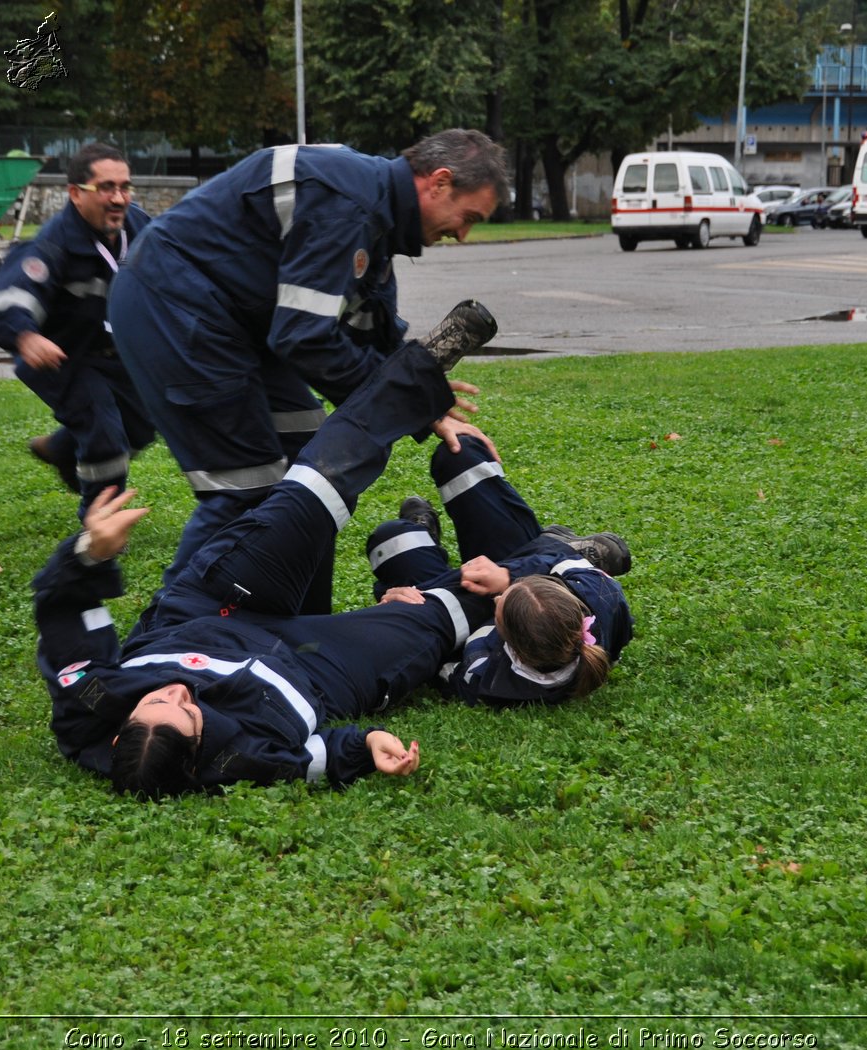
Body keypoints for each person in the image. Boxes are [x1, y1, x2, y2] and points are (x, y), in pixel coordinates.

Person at [35, 320, 539, 798]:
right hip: (316, 666)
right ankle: (559, 560)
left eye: (157, 701)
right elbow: (314, 758)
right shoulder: (238, 760)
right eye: (187, 713)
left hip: (214, 608)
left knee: (313, 491)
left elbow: (65, 614)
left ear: (121, 735)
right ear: (199, 754)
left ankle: (418, 373)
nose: (178, 693)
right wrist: (367, 747)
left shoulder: (91, 702)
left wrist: (90, 553)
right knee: (446, 616)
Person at [106, 129, 509, 613]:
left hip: (239, 326)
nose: (463, 235)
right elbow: (305, 337)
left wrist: (428, 406)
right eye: (468, 218)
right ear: (440, 182)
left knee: (318, 475)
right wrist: (412, 398)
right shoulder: (350, 203)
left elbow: (369, 335)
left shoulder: (375, 220)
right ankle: (168, 636)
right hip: (174, 308)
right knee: (248, 490)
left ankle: (300, 624)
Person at [363, 436, 634, 705]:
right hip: (527, 579)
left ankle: (545, 546)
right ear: (568, 600)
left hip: (460, 629)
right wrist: (506, 575)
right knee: (460, 452)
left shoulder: (486, 678)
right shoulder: (601, 597)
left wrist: (404, 610)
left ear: (509, 644)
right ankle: (548, 549)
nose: (496, 595)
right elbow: (582, 582)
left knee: (391, 539)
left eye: (499, 602)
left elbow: (438, 665)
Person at [0, 143, 156, 518]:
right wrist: (25, 336)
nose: (118, 198)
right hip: (61, 357)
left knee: (142, 428)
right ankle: (100, 522)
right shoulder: (52, 243)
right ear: (75, 194)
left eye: (125, 187)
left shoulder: (141, 228)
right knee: (105, 437)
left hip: (115, 353)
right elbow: (8, 299)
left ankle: (61, 450)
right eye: (106, 187)